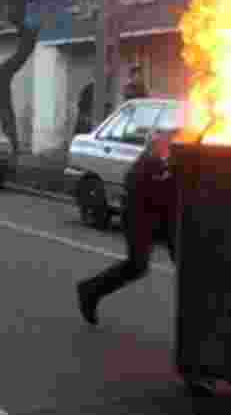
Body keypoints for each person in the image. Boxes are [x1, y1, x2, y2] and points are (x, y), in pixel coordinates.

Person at [76, 127, 179, 325]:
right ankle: (89, 291)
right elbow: (148, 189)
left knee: (186, 267)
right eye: (162, 145)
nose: (165, 148)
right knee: (136, 266)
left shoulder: (167, 162)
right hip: (139, 217)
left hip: (165, 218)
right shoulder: (146, 165)